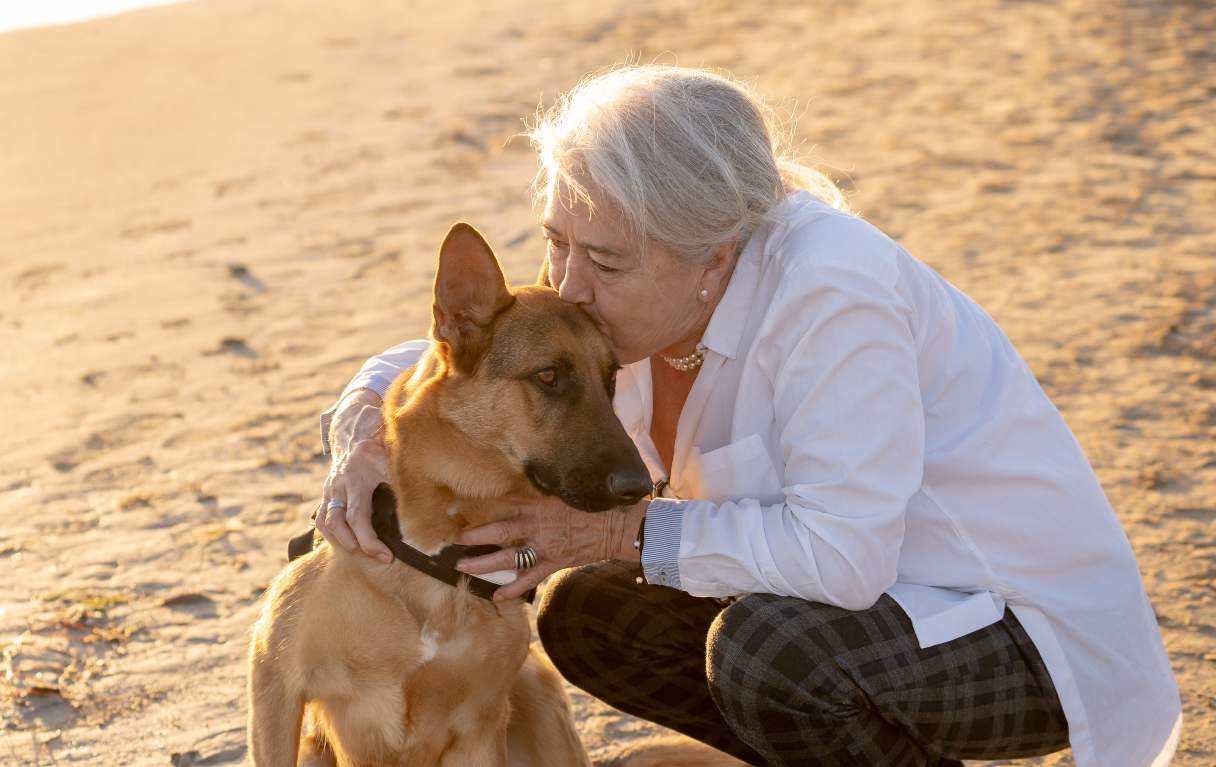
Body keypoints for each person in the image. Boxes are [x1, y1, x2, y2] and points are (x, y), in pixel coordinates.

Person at [313, 65, 1180, 767]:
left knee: (767, 654)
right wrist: (362, 433)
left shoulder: (833, 296)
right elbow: (474, 348)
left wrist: (617, 533)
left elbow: (843, 557)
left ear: (713, 255)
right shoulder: (621, 258)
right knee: (589, 614)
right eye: (558, 242)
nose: (568, 283)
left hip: (1014, 634)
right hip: (861, 612)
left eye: (602, 261)